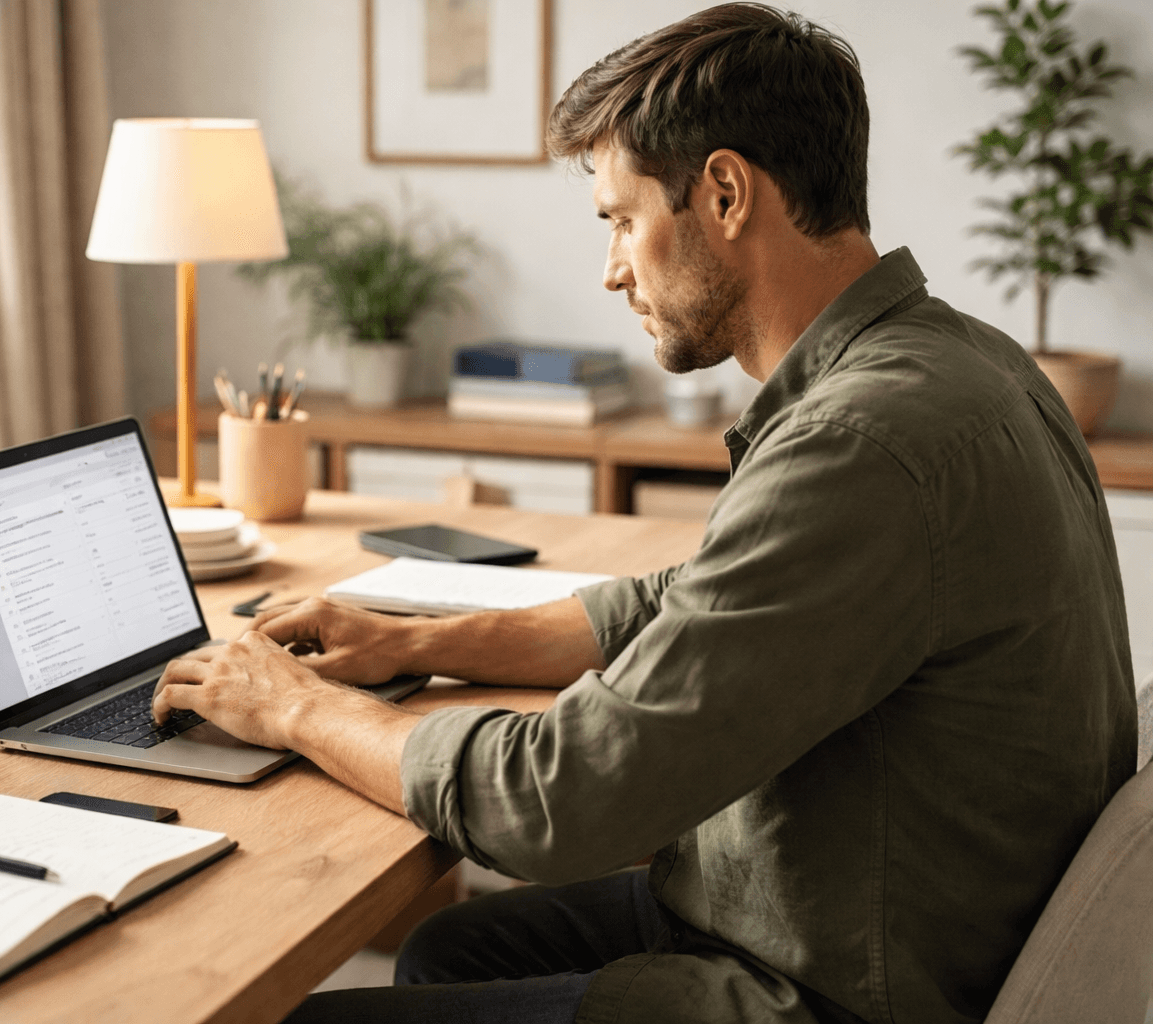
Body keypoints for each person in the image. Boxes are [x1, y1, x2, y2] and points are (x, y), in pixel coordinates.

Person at [152, 5, 1138, 1022]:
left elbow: (559, 802)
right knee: (452, 946)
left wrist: (297, 706)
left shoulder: (863, 442)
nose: (614, 267)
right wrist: (429, 637)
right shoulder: (961, 359)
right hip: (879, 911)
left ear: (723, 193)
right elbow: (703, 598)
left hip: (842, 981)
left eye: (622, 218)